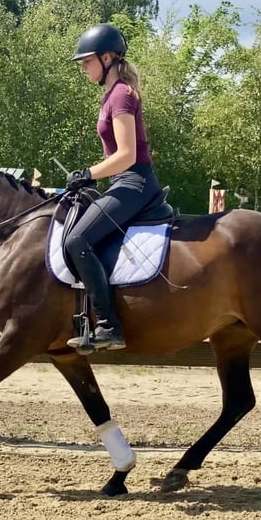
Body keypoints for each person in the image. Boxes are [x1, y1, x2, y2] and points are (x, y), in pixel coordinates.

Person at [64, 23, 163, 351]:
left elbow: (126, 155)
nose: (83, 67)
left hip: (136, 183)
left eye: (87, 60)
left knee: (78, 239)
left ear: (107, 58)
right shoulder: (112, 94)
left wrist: (89, 173)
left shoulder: (121, 94)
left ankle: (108, 325)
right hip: (125, 181)